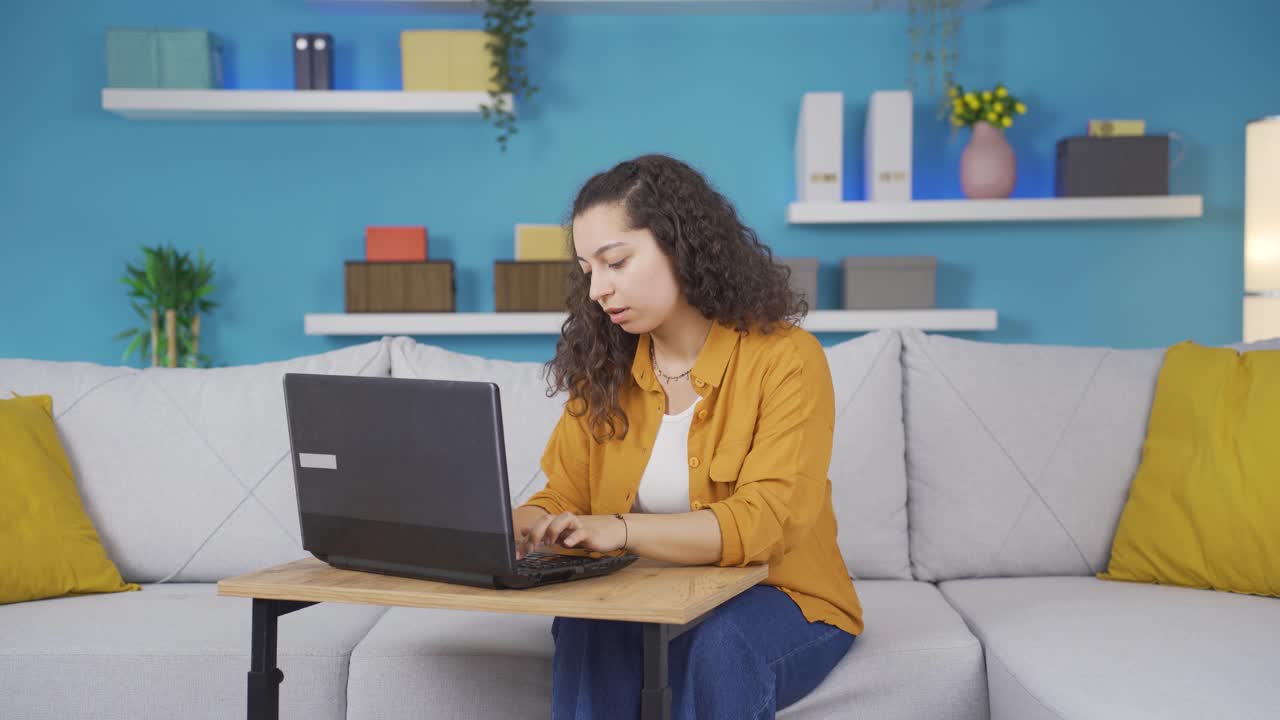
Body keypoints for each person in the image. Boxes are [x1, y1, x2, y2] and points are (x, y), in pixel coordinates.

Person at [512, 154, 862, 720]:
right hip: (648, 597)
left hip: (783, 597)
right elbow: (566, 497)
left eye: (616, 262)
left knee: (722, 647)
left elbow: (767, 521)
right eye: (587, 270)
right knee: (584, 625)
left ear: (679, 245)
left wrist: (621, 529)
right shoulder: (603, 369)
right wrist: (523, 522)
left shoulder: (787, 360)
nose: (599, 288)